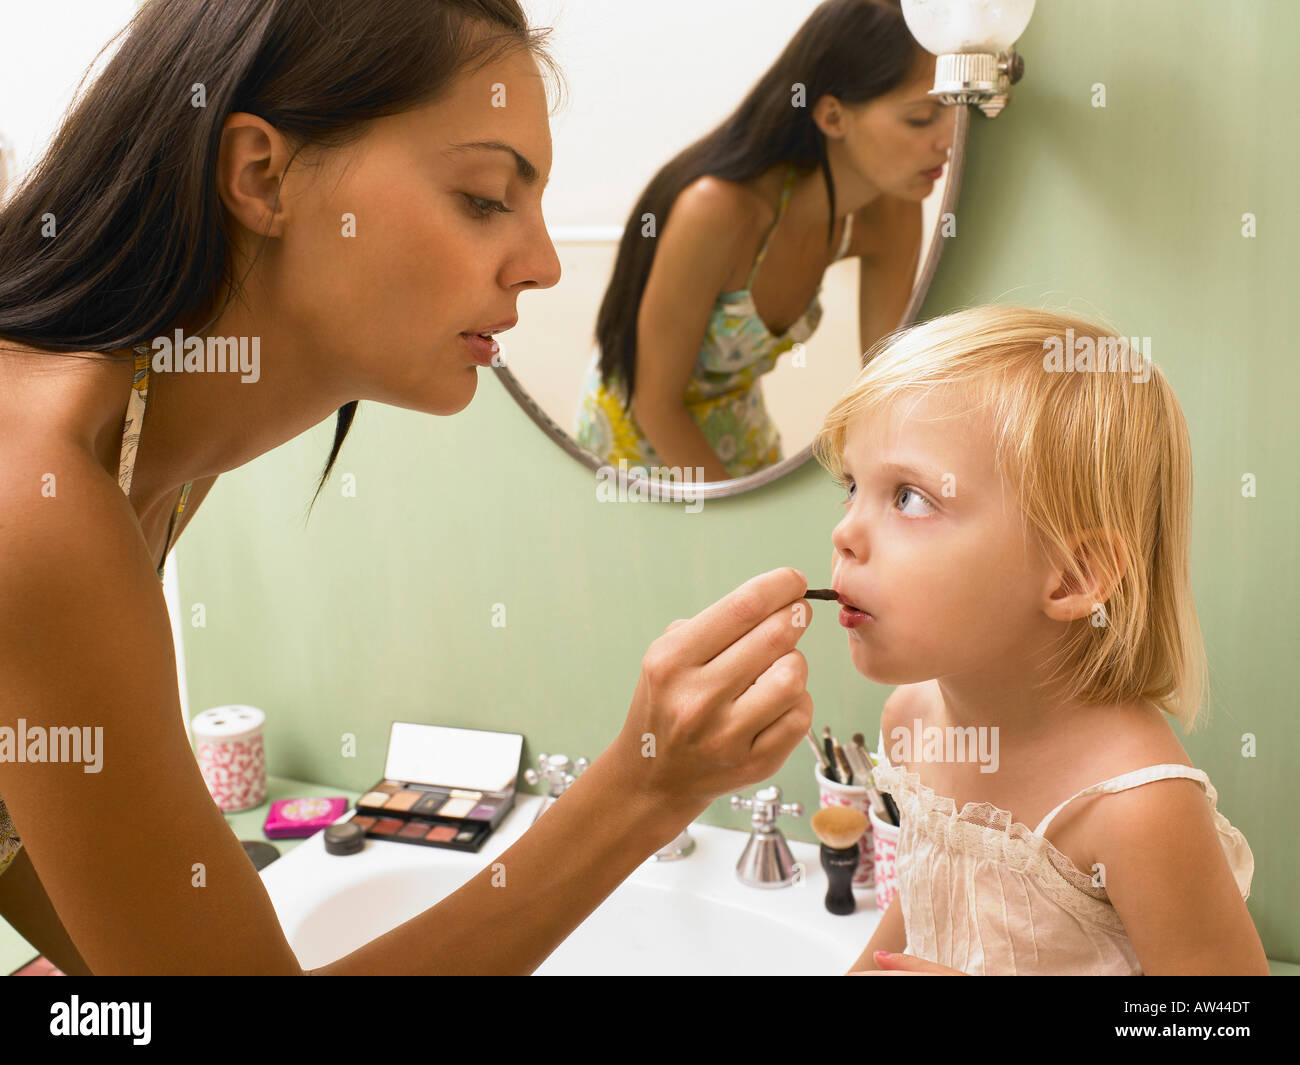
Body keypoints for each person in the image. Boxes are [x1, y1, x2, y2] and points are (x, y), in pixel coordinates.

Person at [0, 0, 816, 975]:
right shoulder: (38, 497)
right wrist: (641, 792)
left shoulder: (150, 468)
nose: (546, 264)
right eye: (482, 197)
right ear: (261, 173)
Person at [817, 306, 1269, 975]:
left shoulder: (1136, 805)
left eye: (909, 497)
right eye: (853, 487)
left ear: (1075, 574)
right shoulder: (912, 720)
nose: (845, 532)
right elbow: (929, 894)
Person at [574, 0, 954, 482]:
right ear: (833, 117)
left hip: (739, 428)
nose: (947, 137)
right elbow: (654, 400)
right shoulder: (718, 210)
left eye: (950, 108)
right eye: (921, 118)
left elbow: (886, 385)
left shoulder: (892, 206)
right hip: (638, 440)